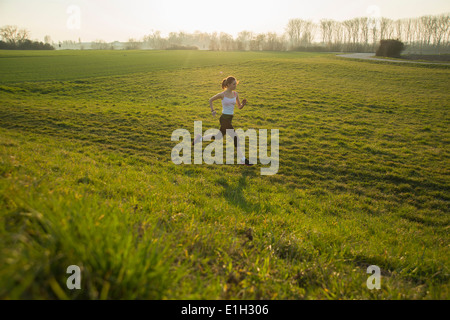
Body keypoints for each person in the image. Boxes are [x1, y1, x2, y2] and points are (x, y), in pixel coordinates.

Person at [193, 76, 253, 166]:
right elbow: (210, 100)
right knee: (235, 138)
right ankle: (243, 159)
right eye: (233, 84)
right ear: (228, 85)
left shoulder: (236, 94)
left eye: (236, 83)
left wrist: (243, 104)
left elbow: (239, 107)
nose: (235, 85)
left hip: (229, 119)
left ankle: (200, 138)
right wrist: (213, 110)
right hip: (224, 119)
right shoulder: (222, 95)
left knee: (218, 137)